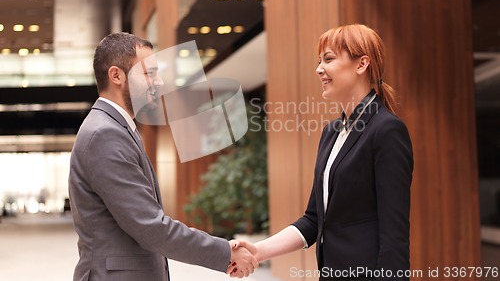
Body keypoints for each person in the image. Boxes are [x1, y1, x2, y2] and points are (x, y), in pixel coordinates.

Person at [69, 32, 257, 281]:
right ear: (116, 75)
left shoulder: (115, 128)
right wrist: (224, 253)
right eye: (148, 73)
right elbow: (149, 226)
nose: (158, 82)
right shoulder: (105, 133)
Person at [233, 24, 414, 280]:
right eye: (319, 61)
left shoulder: (387, 130)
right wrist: (257, 251)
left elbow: (394, 236)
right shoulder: (331, 132)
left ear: (361, 64)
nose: (319, 69)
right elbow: (313, 220)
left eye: (328, 59)